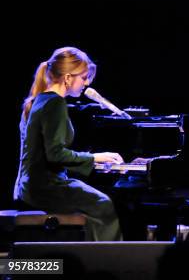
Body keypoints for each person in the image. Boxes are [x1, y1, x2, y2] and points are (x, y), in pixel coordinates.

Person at [14, 46, 124, 241]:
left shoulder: (38, 100)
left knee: (93, 209)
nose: (87, 83)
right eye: (83, 77)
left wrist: (93, 162)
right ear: (67, 78)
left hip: (30, 186)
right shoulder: (55, 103)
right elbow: (55, 154)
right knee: (103, 204)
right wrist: (94, 158)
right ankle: (110, 265)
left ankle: (87, 257)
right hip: (45, 187)